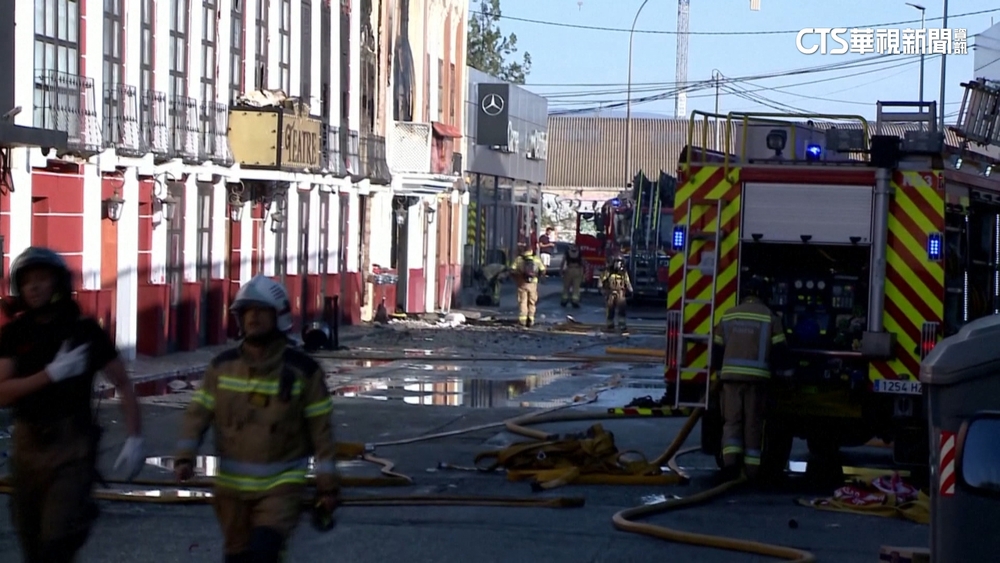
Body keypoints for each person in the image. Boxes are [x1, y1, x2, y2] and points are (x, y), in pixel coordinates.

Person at [174, 274, 340, 562]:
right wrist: (185, 456)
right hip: (231, 492)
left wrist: (327, 484)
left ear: (280, 316)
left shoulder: (304, 371)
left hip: (281, 488)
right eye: (246, 312)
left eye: (260, 311)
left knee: (264, 551)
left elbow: (321, 431)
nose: (252, 318)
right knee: (239, 558)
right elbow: (197, 415)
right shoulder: (222, 368)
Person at [0, 246, 145, 562]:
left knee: (57, 542)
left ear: (59, 283)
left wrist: (135, 437)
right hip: (27, 448)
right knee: (31, 543)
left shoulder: (83, 330)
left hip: (72, 450)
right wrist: (50, 375)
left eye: (42, 279)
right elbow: (2, 392)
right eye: (27, 281)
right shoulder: (15, 333)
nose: (35, 287)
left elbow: (122, 383)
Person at [711, 275, 789, 484]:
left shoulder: (728, 316)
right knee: (753, 424)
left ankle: (730, 467)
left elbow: (717, 350)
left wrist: (719, 375)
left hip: (730, 381)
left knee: (731, 422)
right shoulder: (771, 318)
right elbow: (780, 352)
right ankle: (752, 472)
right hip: (757, 381)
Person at [508, 243, 545, 328]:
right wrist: (537, 277)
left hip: (522, 283)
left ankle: (522, 319)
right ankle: (531, 318)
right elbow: (542, 270)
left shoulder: (519, 259)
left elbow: (512, 270)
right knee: (532, 302)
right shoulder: (536, 259)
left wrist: (517, 277)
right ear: (531, 250)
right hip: (533, 283)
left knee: (522, 301)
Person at [599, 254, 632, 332]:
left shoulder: (624, 273)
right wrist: (601, 288)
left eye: (620, 262)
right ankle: (610, 324)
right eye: (616, 262)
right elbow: (601, 279)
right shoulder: (608, 271)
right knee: (610, 309)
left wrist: (630, 290)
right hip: (610, 293)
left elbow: (627, 282)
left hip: (620, 293)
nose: (618, 264)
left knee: (622, 309)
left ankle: (622, 324)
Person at [560, 244, 585, 308]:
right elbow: (582, 263)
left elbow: (563, 262)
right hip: (577, 270)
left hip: (569, 270)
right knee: (576, 287)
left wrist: (561, 271)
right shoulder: (579, 253)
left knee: (566, 286)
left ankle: (564, 300)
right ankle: (575, 301)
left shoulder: (567, 252)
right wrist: (583, 273)